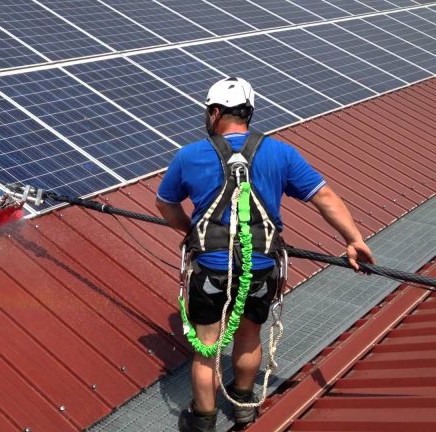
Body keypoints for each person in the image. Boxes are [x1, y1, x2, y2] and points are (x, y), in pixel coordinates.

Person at [155, 77, 375, 432]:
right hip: (260, 269)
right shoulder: (281, 154)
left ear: (214, 113)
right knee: (247, 336)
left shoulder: (189, 155)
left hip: (210, 269)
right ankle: (243, 406)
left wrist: (193, 233)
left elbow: (165, 205)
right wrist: (354, 239)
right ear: (249, 113)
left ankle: (203, 420)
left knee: (206, 347)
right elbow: (325, 198)